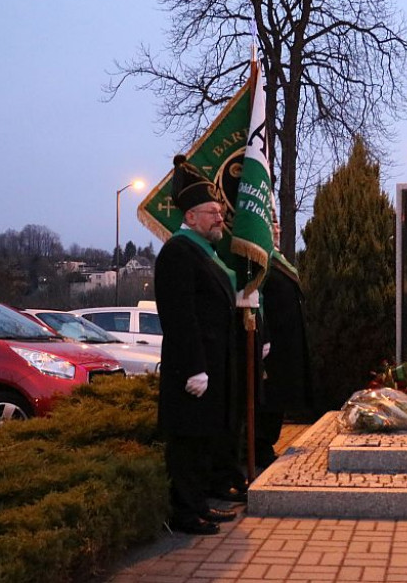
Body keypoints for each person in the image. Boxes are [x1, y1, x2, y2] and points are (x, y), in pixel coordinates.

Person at [154, 155, 240, 535]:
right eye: (211, 212)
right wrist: (194, 367)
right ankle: (186, 514)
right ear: (190, 217)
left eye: (220, 211)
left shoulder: (204, 253)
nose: (220, 218)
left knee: (204, 440)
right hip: (192, 371)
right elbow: (179, 315)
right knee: (187, 444)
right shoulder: (178, 252)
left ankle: (200, 504)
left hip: (211, 366)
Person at [254, 220, 315, 470]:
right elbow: (255, 300)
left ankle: (267, 444)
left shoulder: (277, 259)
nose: (277, 229)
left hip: (285, 342)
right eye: (271, 224)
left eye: (278, 224)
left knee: (278, 398)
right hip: (271, 342)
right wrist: (263, 334)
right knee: (269, 397)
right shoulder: (259, 259)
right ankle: (259, 448)